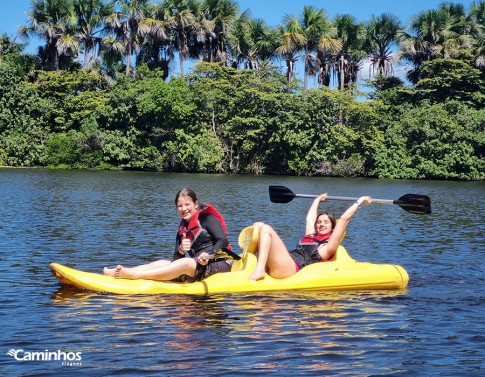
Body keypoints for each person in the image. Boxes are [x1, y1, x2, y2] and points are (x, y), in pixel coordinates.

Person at [103, 187, 237, 282]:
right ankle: (119, 272)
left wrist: (208, 255)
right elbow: (175, 259)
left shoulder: (207, 219)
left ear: (196, 204)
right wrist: (181, 249)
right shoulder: (183, 227)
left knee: (186, 262)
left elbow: (223, 241)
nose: (184, 209)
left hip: (221, 263)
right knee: (161, 262)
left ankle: (134, 275)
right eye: (180, 206)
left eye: (187, 204)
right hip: (196, 266)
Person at [249, 194, 372, 280]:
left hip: (291, 269)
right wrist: (317, 199)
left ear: (332, 228)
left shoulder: (329, 245)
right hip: (285, 262)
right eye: (319, 222)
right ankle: (250, 264)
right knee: (258, 225)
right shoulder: (310, 236)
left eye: (326, 222)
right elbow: (309, 219)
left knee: (266, 229)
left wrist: (360, 201)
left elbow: (344, 219)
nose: (321, 224)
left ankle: (260, 270)